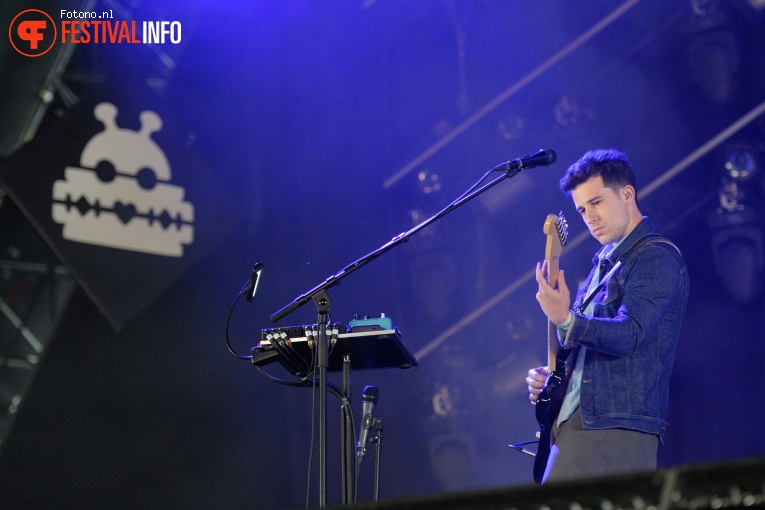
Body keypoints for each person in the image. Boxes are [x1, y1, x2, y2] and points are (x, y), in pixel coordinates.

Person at [527, 148, 689, 484]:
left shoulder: (655, 256)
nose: (589, 216)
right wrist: (557, 377)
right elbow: (588, 344)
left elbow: (628, 333)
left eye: (596, 202)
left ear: (627, 194)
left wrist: (566, 320)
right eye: (582, 209)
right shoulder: (602, 265)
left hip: (611, 427)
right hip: (579, 425)